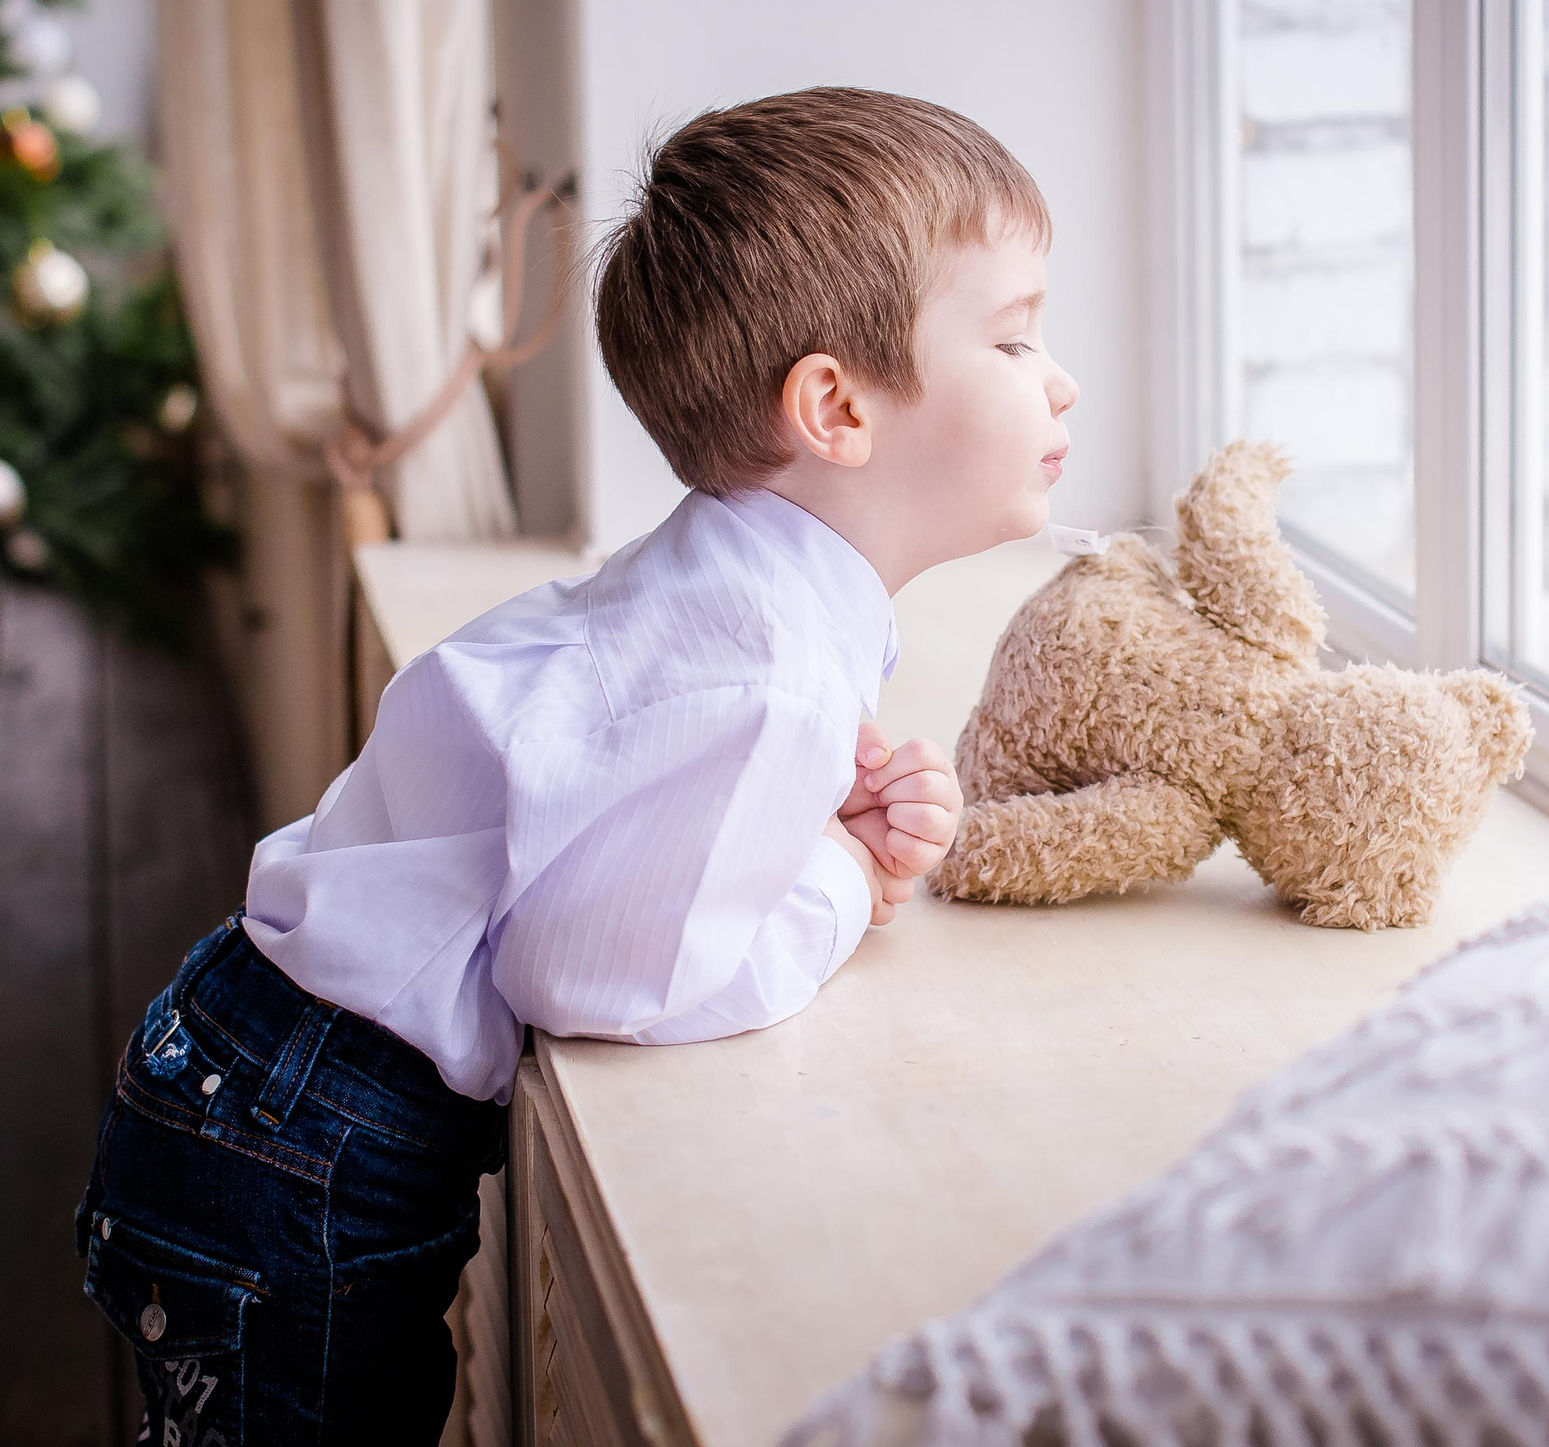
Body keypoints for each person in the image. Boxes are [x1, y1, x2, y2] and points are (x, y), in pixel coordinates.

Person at [72, 86, 1080, 1442]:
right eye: (1015, 337)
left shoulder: (734, 592)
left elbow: (628, 816)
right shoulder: (765, 664)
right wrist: (838, 879)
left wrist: (803, 822)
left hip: (252, 1081)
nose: (1057, 376)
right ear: (834, 405)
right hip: (294, 1149)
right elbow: (596, 973)